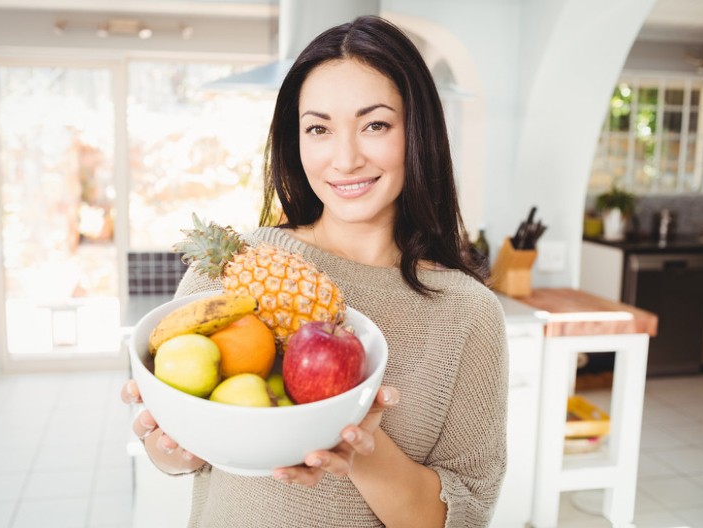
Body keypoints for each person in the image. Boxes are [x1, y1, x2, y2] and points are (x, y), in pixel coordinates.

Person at [122, 15, 508, 528]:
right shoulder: (235, 270)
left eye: (375, 124)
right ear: (295, 139)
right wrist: (170, 445)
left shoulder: (469, 314)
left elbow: (466, 516)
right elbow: (183, 458)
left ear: (418, 132)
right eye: (319, 128)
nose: (345, 158)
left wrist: (355, 442)